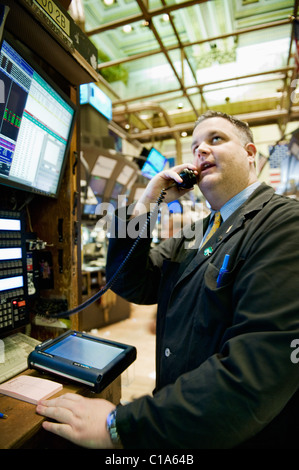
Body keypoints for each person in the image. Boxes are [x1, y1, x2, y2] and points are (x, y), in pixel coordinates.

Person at [36, 111, 299, 449]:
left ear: (250, 154)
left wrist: (121, 426)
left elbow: (254, 373)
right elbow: (132, 281)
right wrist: (148, 201)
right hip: (178, 421)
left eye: (216, 139)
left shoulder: (283, 225)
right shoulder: (197, 233)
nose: (201, 150)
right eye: (195, 147)